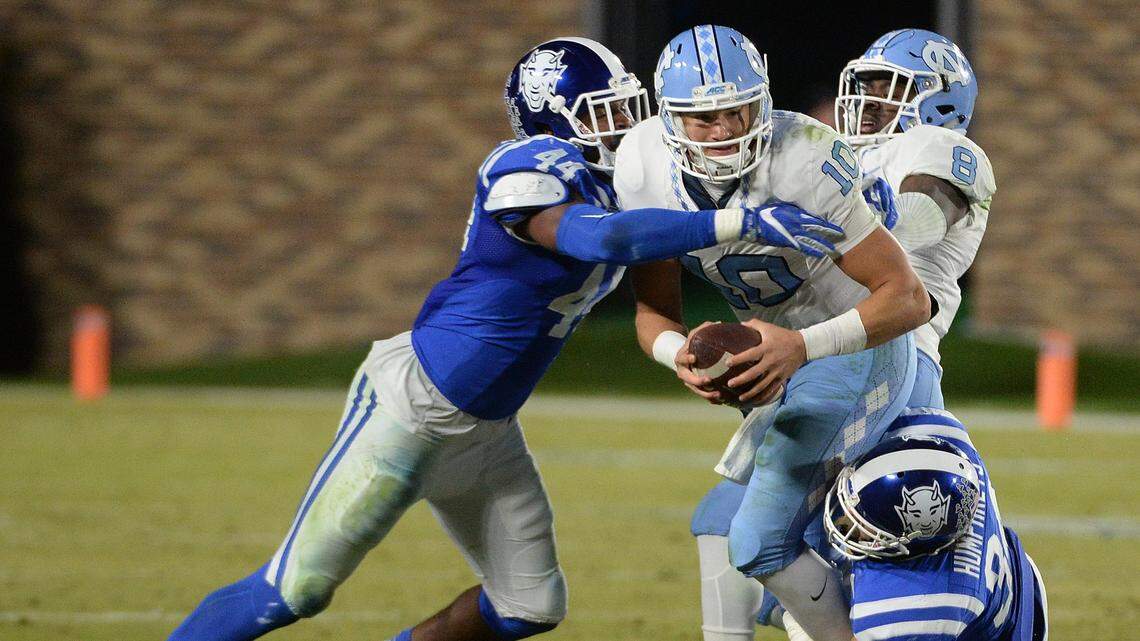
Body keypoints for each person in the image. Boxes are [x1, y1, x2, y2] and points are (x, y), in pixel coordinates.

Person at [165, 36, 846, 641]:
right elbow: (600, 238)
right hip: (413, 406)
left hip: (488, 430)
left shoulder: (627, 182)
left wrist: (692, 349)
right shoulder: (525, 165)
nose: (624, 125)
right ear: (554, 120)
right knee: (296, 589)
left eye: (627, 107)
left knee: (528, 605)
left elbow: (651, 282)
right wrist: (736, 221)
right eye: (603, 112)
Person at [614, 25, 930, 641]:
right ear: (668, 118)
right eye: (704, 118)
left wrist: (802, 346)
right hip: (780, 358)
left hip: (854, 350)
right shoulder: (641, 165)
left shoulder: (806, 156)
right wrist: (680, 356)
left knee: (761, 543)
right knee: (719, 527)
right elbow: (652, 315)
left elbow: (908, 298)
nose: (726, 131)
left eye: (738, 111)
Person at [682, 28, 1000, 641]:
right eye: (867, 83)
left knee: (811, 546)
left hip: (891, 366)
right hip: (820, 364)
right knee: (724, 527)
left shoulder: (938, 147)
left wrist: (829, 227)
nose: (870, 98)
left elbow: (918, 219)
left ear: (940, 101)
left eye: (891, 87)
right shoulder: (840, 156)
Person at [771, 408, 1048, 641]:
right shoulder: (945, 442)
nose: (848, 523)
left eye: (868, 526)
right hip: (1014, 588)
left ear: (918, 535)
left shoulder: (917, 609)